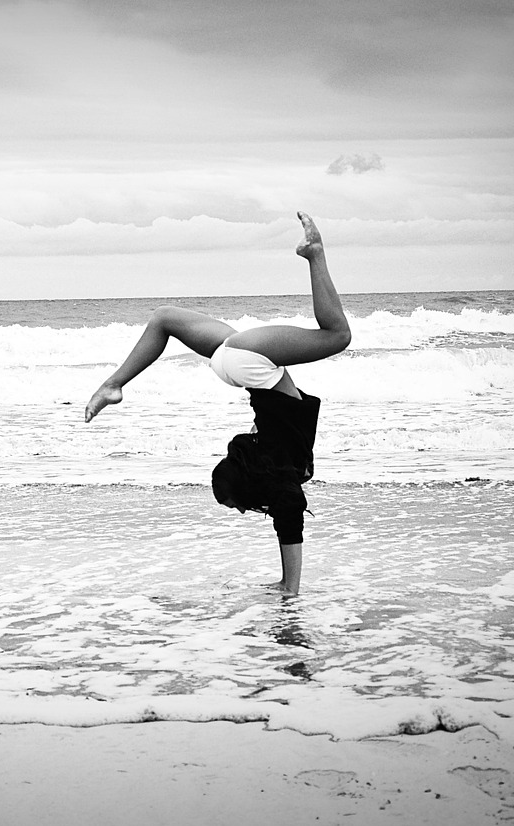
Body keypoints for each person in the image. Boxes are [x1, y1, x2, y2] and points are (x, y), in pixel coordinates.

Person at [83, 211, 351, 595]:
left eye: (235, 505)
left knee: (338, 335)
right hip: (234, 365)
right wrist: (285, 584)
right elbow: (286, 519)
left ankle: (315, 254)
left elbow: (288, 520)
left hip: (249, 364)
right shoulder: (277, 473)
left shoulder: (281, 471)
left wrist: (290, 588)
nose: (242, 510)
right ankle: (111, 385)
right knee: (163, 319)